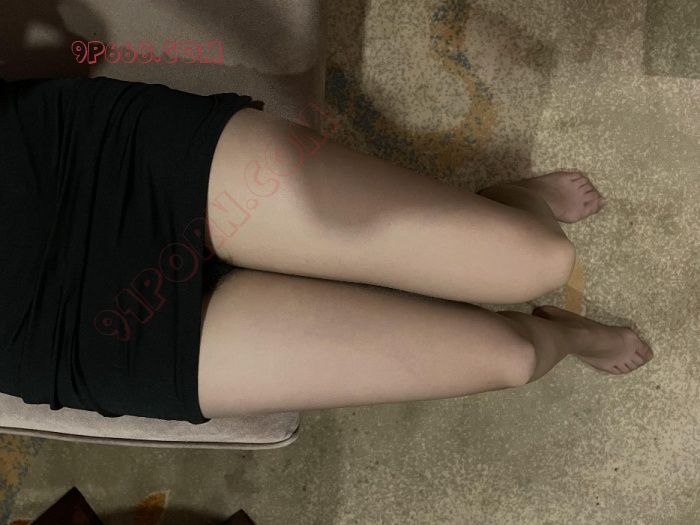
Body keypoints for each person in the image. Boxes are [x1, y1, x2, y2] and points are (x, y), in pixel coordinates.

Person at [0, 75, 652, 425]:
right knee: (511, 357)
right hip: (59, 333)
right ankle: (567, 336)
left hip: (68, 165)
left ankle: (513, 199)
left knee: (537, 259)